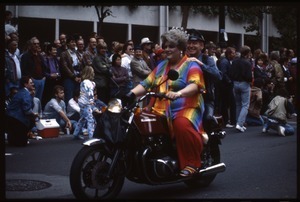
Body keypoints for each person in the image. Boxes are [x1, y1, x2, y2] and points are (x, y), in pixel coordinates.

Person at [129, 27, 206, 177]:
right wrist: (130, 94)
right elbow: (146, 83)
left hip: (186, 106)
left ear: (181, 48)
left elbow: (195, 85)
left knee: (181, 124)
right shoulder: (161, 66)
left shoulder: (191, 64)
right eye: (165, 46)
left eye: (171, 46)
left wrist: (179, 93)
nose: (167, 49)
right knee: (137, 122)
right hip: (161, 108)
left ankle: (192, 163)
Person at [186, 29, 222, 125]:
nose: (191, 46)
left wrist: (201, 64)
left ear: (201, 46)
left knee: (207, 120)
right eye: (189, 43)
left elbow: (218, 76)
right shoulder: (183, 59)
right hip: (185, 99)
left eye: (194, 43)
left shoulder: (207, 59)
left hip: (205, 99)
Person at [5, 76, 38, 146]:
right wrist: (34, 115)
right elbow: (27, 110)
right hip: (17, 119)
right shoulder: (25, 94)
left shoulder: (21, 92)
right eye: (31, 83)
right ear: (25, 84)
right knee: (22, 143)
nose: (33, 84)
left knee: (15, 140)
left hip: (10, 117)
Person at [228, 45, 253, 132]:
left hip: (235, 83)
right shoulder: (247, 63)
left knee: (238, 104)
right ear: (247, 53)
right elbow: (249, 77)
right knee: (245, 105)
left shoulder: (234, 61)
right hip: (244, 84)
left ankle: (238, 123)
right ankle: (240, 123)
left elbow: (230, 73)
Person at [72, 66, 101, 140]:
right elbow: (89, 92)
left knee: (82, 119)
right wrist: (91, 100)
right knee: (90, 119)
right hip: (86, 103)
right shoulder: (87, 82)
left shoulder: (84, 82)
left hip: (82, 102)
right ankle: (92, 136)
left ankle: (76, 134)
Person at [21, 37, 47, 102]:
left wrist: (44, 77)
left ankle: (37, 112)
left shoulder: (40, 55)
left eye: (38, 44)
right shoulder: (25, 56)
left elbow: (44, 67)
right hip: (32, 80)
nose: (36, 45)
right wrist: (30, 78)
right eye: (34, 44)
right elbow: (24, 69)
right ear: (30, 45)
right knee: (31, 98)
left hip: (41, 80)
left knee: (38, 99)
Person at [59, 35, 82, 104]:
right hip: (69, 78)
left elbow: (81, 66)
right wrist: (73, 77)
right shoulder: (64, 54)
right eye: (72, 42)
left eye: (74, 42)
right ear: (68, 43)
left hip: (78, 78)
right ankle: (67, 114)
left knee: (77, 98)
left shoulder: (77, 53)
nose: (74, 44)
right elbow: (65, 67)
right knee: (69, 98)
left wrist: (80, 76)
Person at [218, 47, 237, 128]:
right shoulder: (225, 62)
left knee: (227, 104)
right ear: (229, 54)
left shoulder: (226, 61)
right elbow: (223, 73)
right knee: (227, 104)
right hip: (225, 86)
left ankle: (228, 121)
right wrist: (229, 81)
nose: (234, 54)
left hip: (226, 85)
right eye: (233, 53)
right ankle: (227, 121)